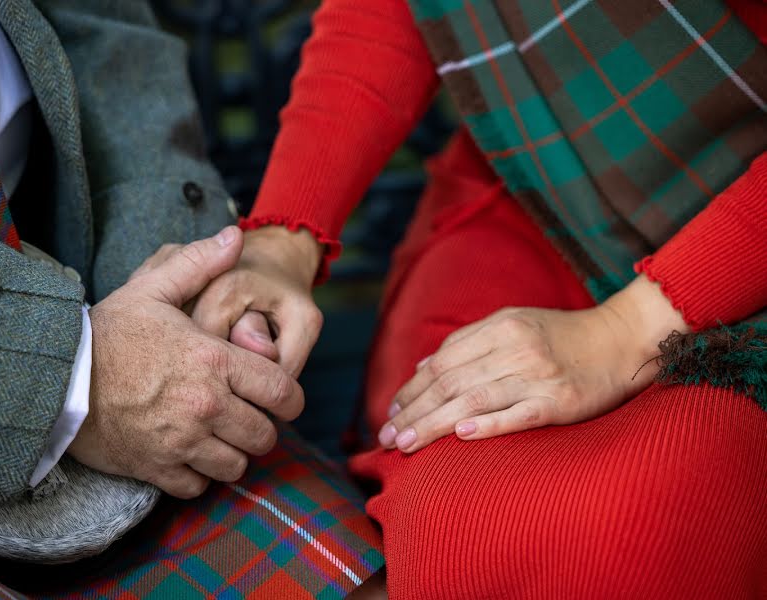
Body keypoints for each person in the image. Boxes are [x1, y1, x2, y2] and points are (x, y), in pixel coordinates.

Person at [195, 0, 767, 597]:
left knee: (630, 537)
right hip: (543, 184)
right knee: (466, 519)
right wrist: (286, 239)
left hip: (743, 261)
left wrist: (625, 329)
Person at [0, 0, 383, 597]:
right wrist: (73, 372)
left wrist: (164, 290)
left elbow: (113, 42)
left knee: (361, 583)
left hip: (82, 293)